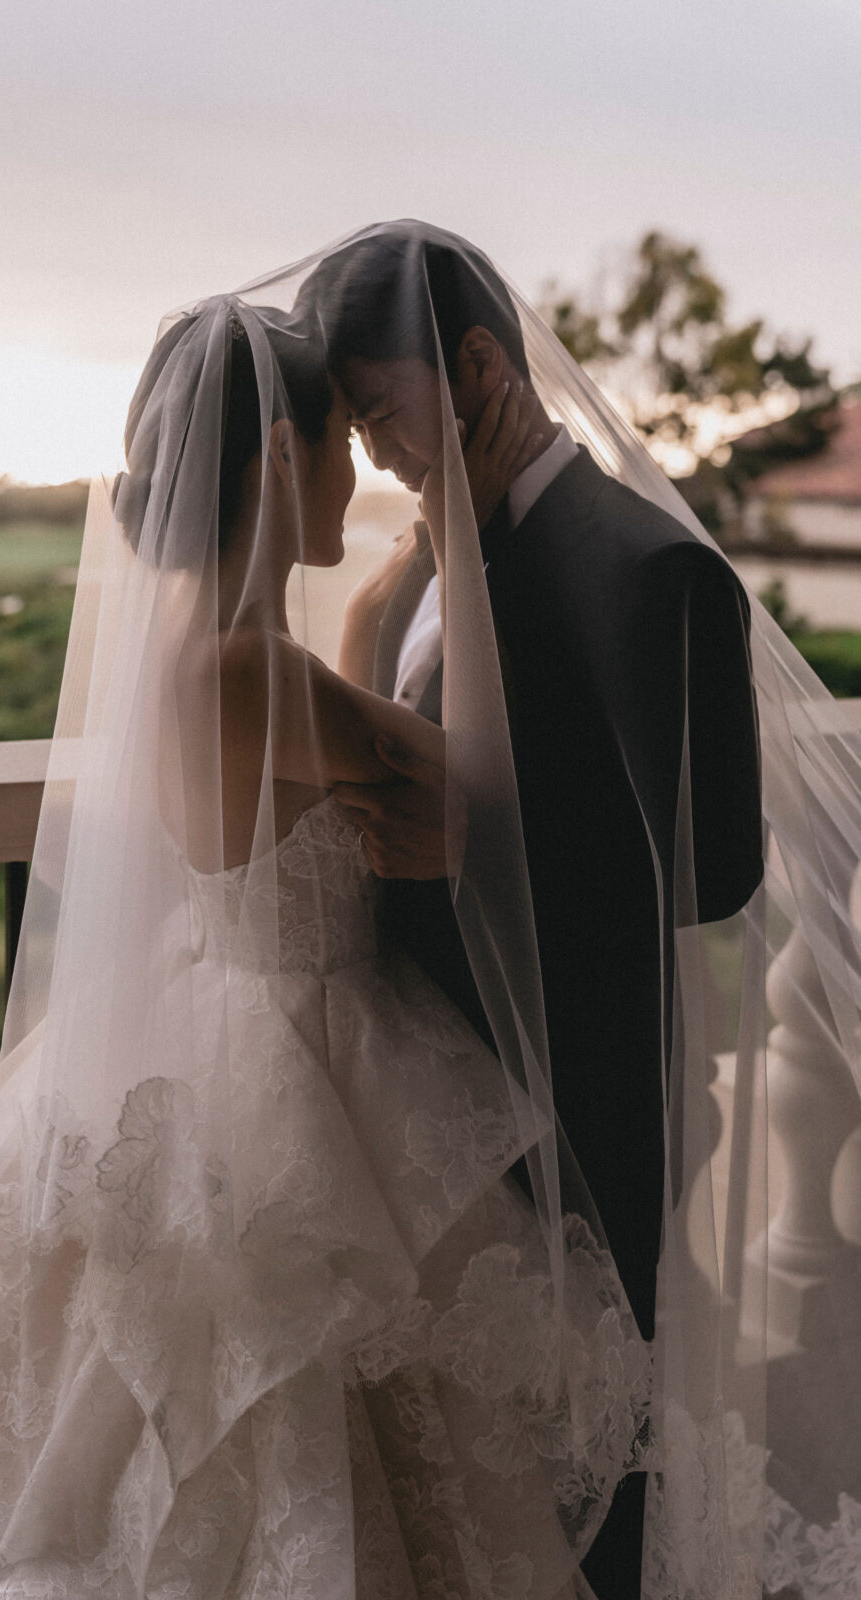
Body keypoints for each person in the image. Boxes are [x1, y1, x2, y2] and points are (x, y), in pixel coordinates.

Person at [0, 299, 646, 1600]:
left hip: (219, 1023)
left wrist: (394, 577)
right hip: (305, 1049)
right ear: (274, 465)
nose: (354, 468)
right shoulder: (253, 671)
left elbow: (332, 699)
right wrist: (464, 544)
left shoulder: (215, 658)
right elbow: (474, 783)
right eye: (332, 442)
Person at [299, 224, 765, 1598]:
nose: (377, 453)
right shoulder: (444, 541)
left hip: (580, 1096)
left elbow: (715, 869)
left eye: (383, 413)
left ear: (482, 364)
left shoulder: (645, 569)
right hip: (436, 1109)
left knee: (597, 1469)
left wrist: (473, 843)